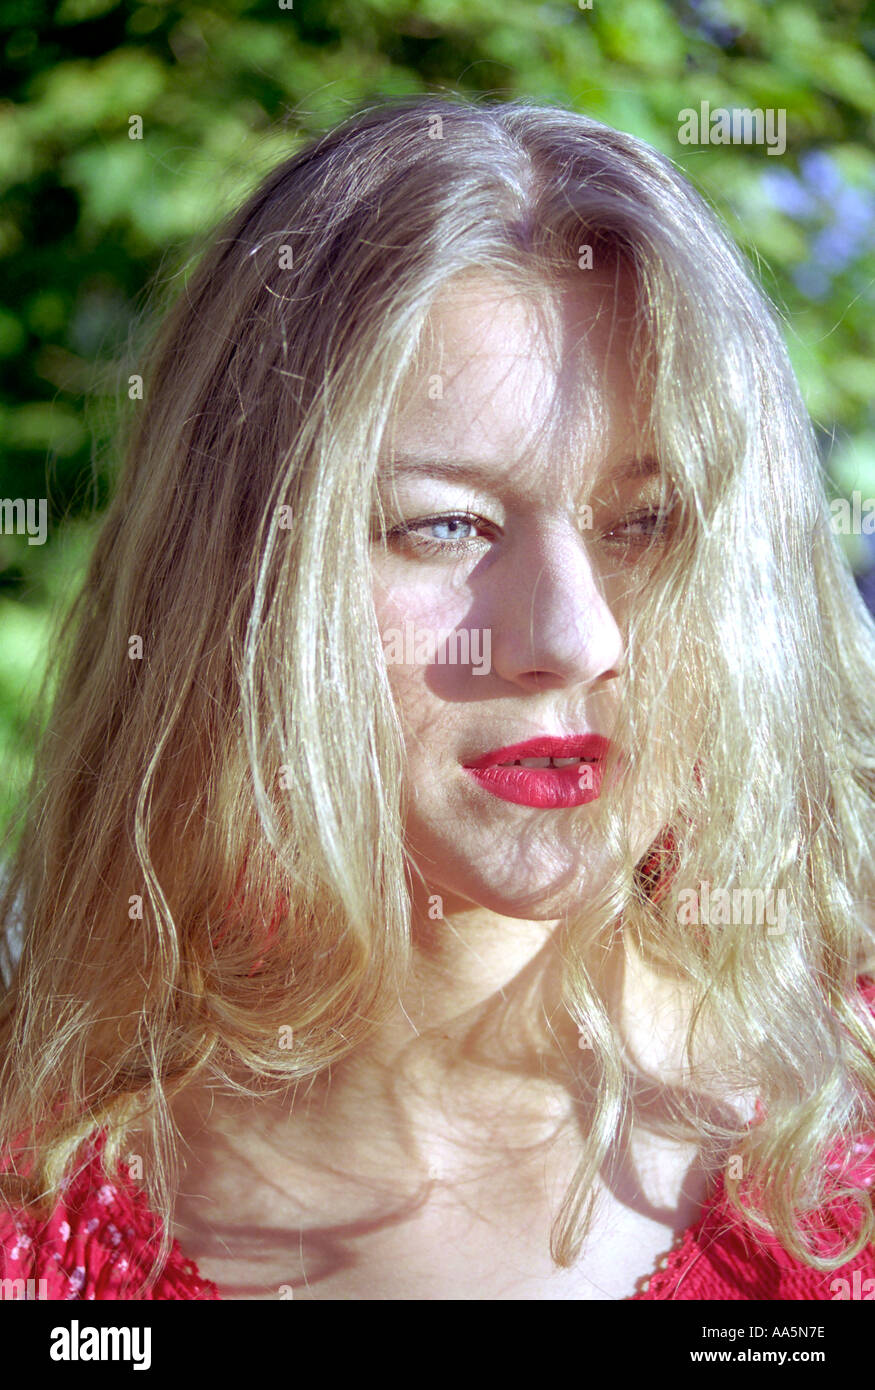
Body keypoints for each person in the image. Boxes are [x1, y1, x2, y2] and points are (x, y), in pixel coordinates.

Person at [1, 95, 874, 1302]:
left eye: (645, 522)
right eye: (444, 525)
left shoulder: (845, 1148)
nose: (570, 638)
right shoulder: (32, 1190)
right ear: (239, 572)